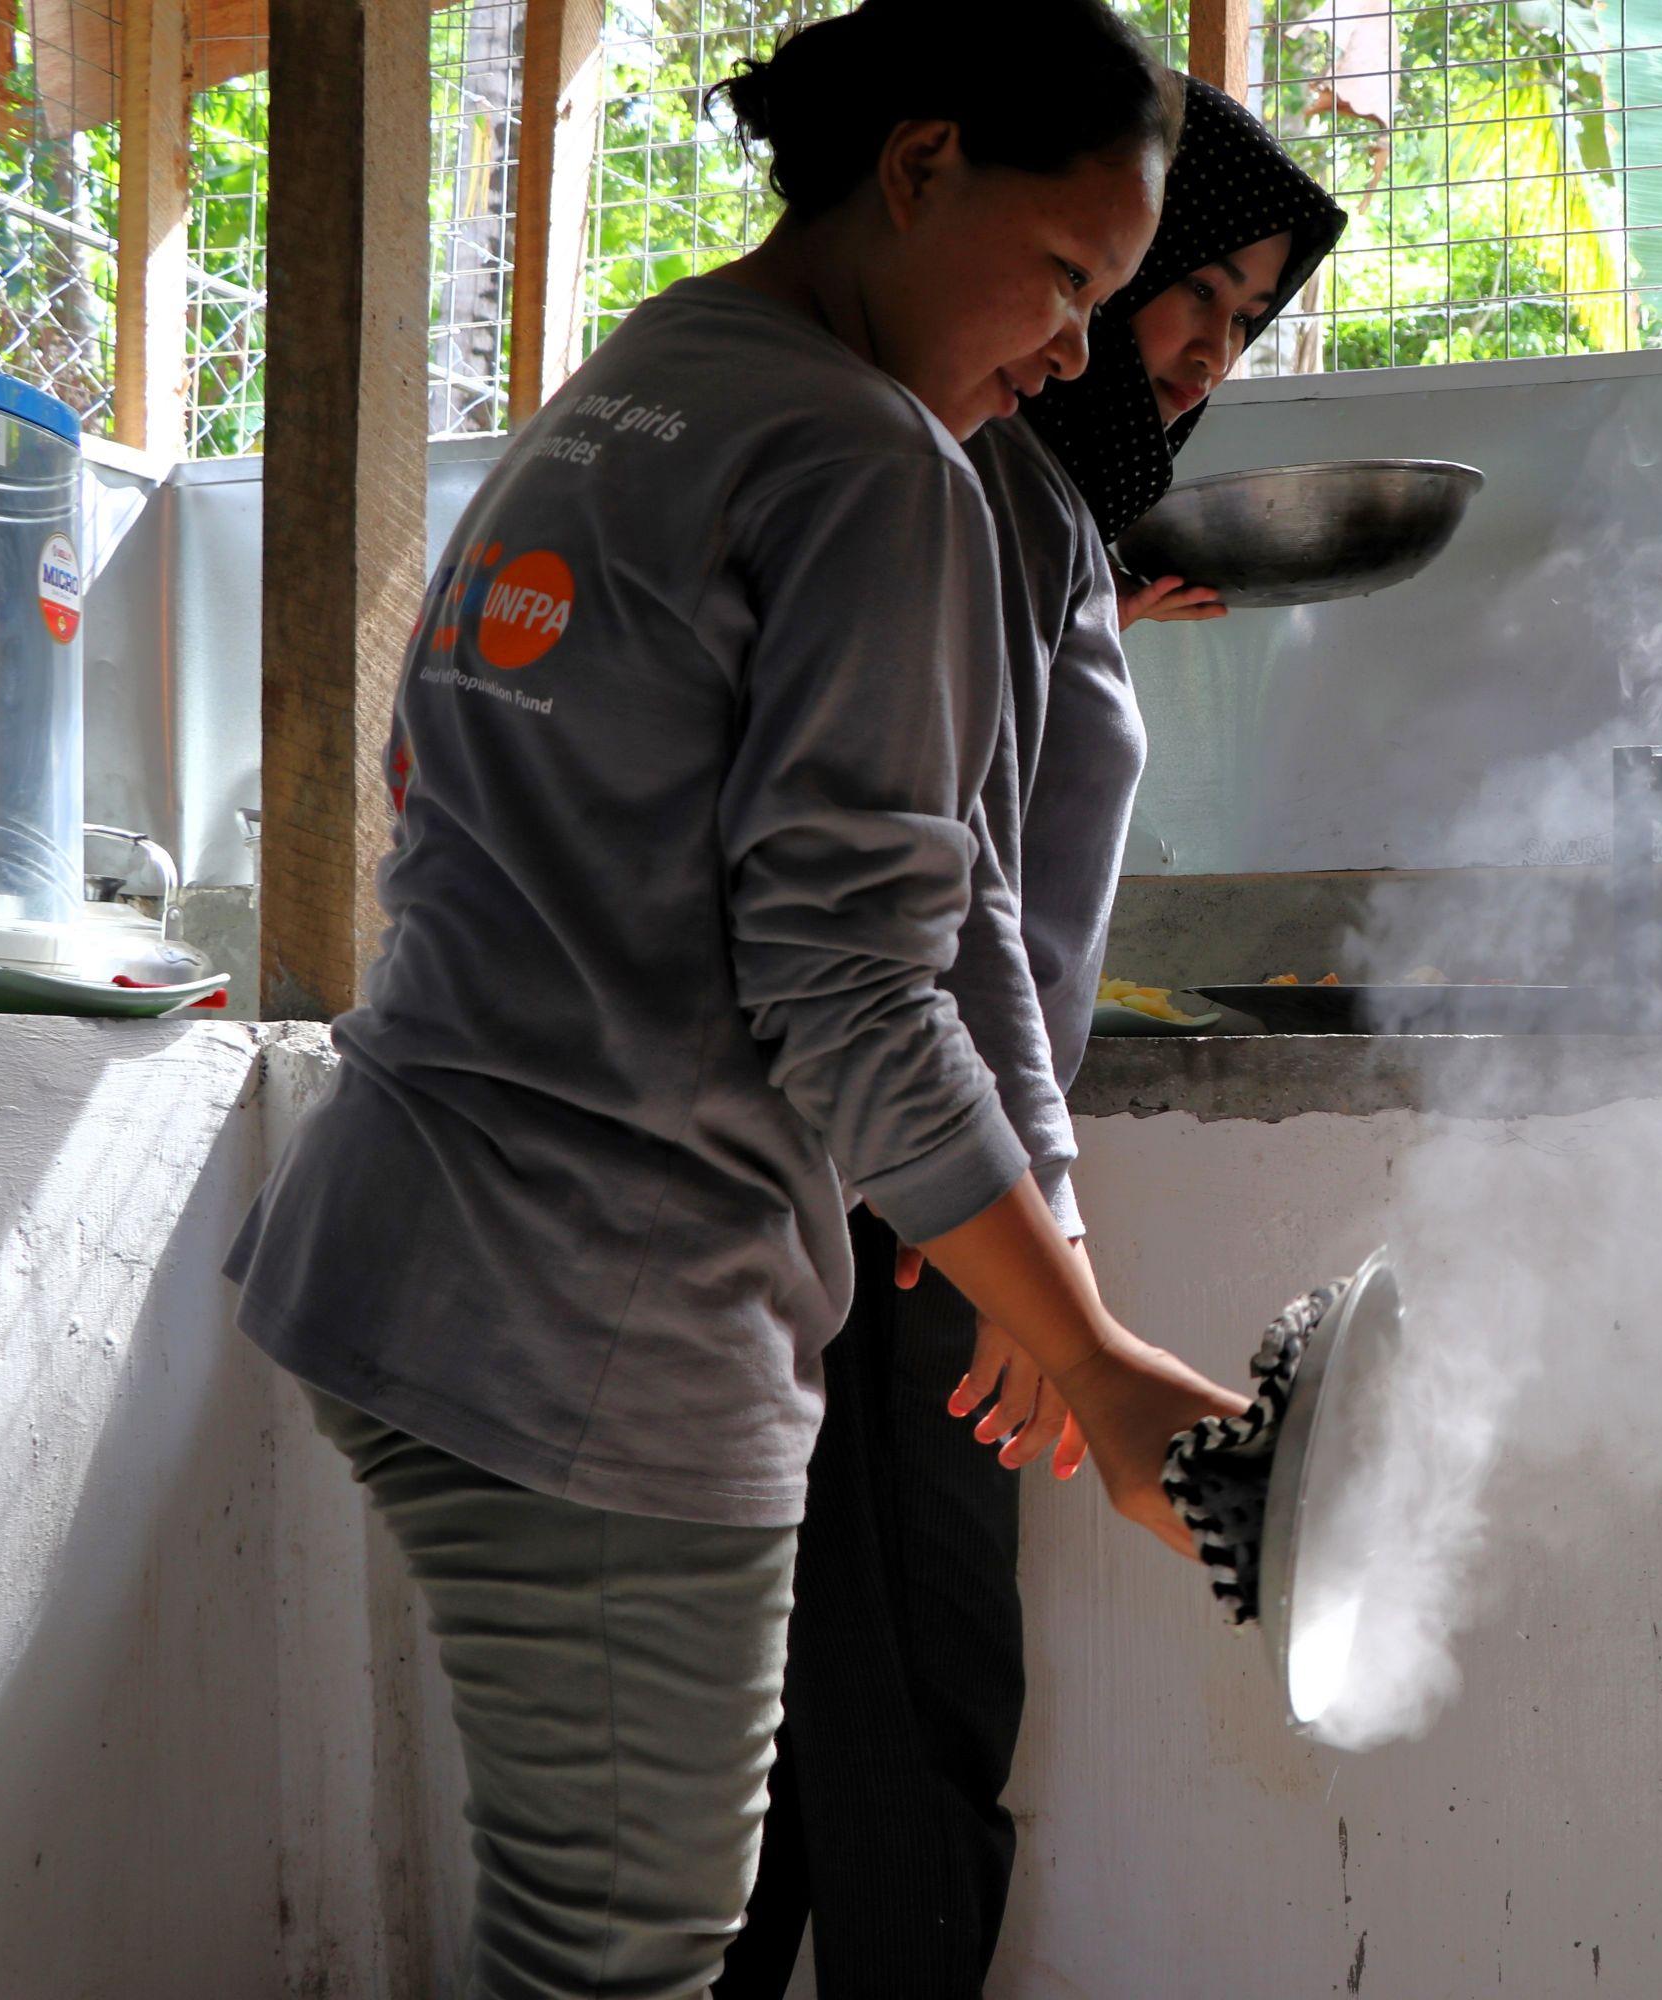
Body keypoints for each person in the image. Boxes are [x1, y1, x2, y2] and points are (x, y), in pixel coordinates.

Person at [221, 7, 1245, 1995]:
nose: (1065, 356)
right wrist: (1095, 1362)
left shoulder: (646, 374)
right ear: (921, 159)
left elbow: (535, 823)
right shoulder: (877, 466)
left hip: (396, 1248)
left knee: (587, 1940)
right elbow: (855, 983)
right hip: (605, 1325)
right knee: (624, 1962)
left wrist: (1042, 1265)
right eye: (1062, 279)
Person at [714, 77, 1347, 2000]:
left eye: (1242, 327)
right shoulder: (974, 478)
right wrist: (1026, 1238)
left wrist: (1090, 633)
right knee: (914, 1716)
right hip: (915, 1192)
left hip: (919, 1177)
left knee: (827, 1740)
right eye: (1190, 295)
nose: (1202, 353)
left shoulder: (1032, 503)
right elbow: (949, 894)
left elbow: (972, 807)